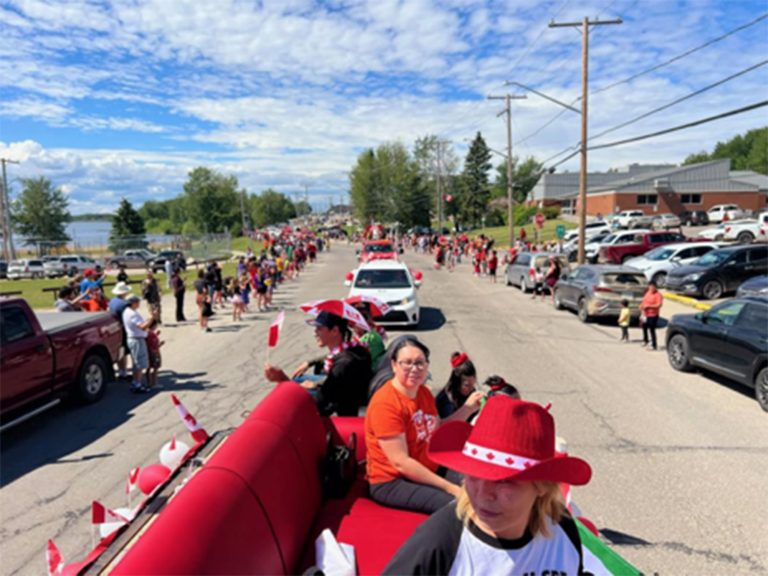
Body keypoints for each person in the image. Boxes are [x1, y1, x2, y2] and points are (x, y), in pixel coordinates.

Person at [384, 396, 593, 575]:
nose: (483, 495)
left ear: (542, 486)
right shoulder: (441, 541)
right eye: (473, 476)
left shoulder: (560, 527)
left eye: (504, 481)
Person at [365, 338, 484, 515]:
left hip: (428, 465)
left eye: (420, 363)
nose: (415, 368)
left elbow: (437, 428)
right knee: (458, 506)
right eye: (407, 363)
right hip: (392, 481)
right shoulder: (386, 403)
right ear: (394, 365)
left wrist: (468, 408)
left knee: (479, 484)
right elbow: (401, 463)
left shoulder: (424, 393)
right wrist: (451, 488)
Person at [263, 310, 372, 416]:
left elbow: (317, 403)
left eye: (319, 328)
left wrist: (283, 380)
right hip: (344, 397)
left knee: (288, 395)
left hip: (343, 410)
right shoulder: (354, 350)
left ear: (334, 331)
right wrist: (313, 376)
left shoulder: (344, 363)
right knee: (298, 380)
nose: (315, 332)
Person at [435, 352, 483, 420]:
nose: (471, 389)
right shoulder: (448, 403)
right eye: (467, 385)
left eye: (473, 384)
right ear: (457, 382)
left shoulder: (470, 392)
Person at [122, 294, 152, 393]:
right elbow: (142, 326)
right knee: (139, 363)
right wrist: (152, 318)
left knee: (136, 362)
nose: (139, 303)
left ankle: (136, 382)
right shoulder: (132, 314)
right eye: (137, 301)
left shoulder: (127, 312)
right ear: (133, 303)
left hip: (134, 338)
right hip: (137, 339)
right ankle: (137, 385)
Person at [108, 282, 133, 380]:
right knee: (124, 351)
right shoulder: (124, 304)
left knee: (120, 350)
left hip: (115, 327)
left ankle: (121, 371)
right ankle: (124, 372)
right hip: (122, 328)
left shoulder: (112, 301)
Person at [640, 281, 663, 351]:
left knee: (652, 329)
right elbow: (643, 301)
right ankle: (645, 340)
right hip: (645, 314)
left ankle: (654, 345)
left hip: (653, 314)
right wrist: (641, 308)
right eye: (650, 286)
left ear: (655, 287)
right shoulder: (647, 292)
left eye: (653, 286)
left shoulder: (658, 295)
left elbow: (659, 305)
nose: (651, 288)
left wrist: (649, 306)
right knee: (644, 327)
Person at [145, 318, 164, 388]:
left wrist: (156, 334)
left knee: (148, 368)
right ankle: (154, 383)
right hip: (154, 353)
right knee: (155, 368)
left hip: (148, 353)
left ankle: (149, 382)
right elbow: (154, 345)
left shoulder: (147, 333)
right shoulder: (151, 335)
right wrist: (160, 344)